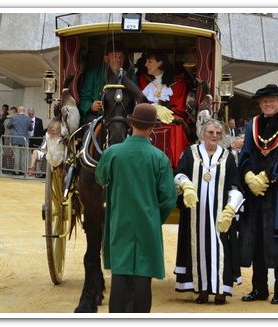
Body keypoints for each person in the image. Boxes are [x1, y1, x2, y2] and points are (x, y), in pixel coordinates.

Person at [95, 103, 177, 313]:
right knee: (143, 276)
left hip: (119, 220)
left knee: (120, 274)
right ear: (152, 128)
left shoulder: (112, 152)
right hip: (148, 224)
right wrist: (153, 217)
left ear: (131, 123)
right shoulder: (160, 158)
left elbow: (101, 178)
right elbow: (168, 198)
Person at [238, 84, 278, 305]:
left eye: (272, 100)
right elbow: (245, 152)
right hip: (256, 193)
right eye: (264, 101)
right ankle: (259, 288)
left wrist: (266, 177)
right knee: (256, 240)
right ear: (259, 103)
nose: (269, 103)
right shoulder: (253, 125)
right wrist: (248, 176)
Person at [174, 119, 244, 305]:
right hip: (194, 215)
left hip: (220, 215)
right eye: (210, 132)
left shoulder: (227, 157)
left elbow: (235, 186)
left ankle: (221, 290)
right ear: (203, 134)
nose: (214, 136)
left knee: (221, 249)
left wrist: (230, 209)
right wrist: (186, 184)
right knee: (198, 249)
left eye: (218, 133)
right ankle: (203, 289)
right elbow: (178, 174)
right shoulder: (190, 154)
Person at [139, 51, 190, 169]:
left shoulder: (178, 82)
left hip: (170, 116)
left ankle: (174, 165)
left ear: (160, 63)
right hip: (147, 116)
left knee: (175, 126)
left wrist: (166, 113)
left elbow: (179, 107)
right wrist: (153, 109)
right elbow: (140, 101)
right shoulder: (142, 80)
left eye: (150, 61)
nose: (146, 64)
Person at [79, 41, 128, 124]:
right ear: (106, 59)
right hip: (97, 116)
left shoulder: (130, 76)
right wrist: (91, 106)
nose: (118, 60)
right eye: (114, 56)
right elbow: (83, 99)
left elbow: (135, 100)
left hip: (123, 116)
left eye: (121, 57)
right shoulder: (92, 75)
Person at [6, 105, 32, 175]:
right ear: (24, 111)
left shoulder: (14, 118)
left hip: (16, 138)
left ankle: (16, 170)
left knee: (16, 155)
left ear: (18, 111)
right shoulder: (28, 119)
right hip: (24, 139)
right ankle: (23, 170)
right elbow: (30, 129)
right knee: (23, 155)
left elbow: (8, 126)